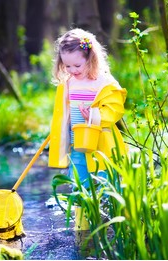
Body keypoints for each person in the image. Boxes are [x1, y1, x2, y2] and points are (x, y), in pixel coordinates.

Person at [48, 28, 127, 187]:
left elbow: (115, 108)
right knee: (79, 184)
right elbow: (65, 113)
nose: (72, 70)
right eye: (67, 66)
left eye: (77, 65)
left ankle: (108, 210)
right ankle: (81, 210)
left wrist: (94, 115)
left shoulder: (103, 81)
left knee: (105, 183)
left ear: (90, 59)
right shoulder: (68, 83)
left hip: (100, 144)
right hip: (77, 145)